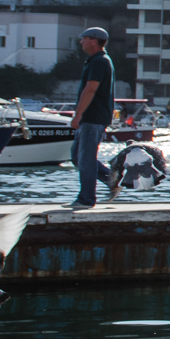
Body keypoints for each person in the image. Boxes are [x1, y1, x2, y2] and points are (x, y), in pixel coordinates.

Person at [69, 26, 114, 210]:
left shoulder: (99, 62)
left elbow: (90, 89)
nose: (81, 42)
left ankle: (86, 199)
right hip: (90, 118)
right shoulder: (96, 60)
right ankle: (112, 180)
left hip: (93, 117)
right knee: (77, 157)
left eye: (84, 38)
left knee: (86, 159)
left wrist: (78, 114)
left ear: (93, 40)